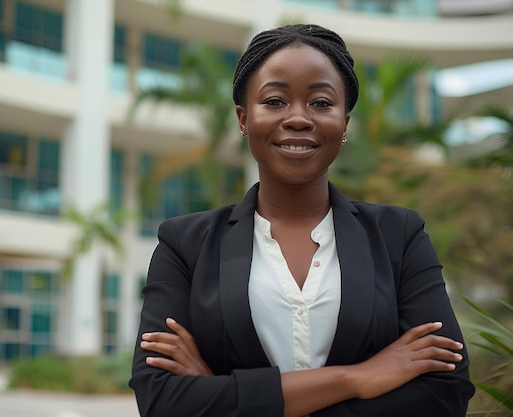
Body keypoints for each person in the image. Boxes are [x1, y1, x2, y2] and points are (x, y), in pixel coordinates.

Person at [129, 24, 475, 417]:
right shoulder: (185, 244)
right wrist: (356, 378)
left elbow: (446, 392)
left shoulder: (399, 237)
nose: (297, 118)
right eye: (274, 101)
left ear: (344, 123)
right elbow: (160, 401)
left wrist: (219, 393)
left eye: (321, 103)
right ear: (244, 119)